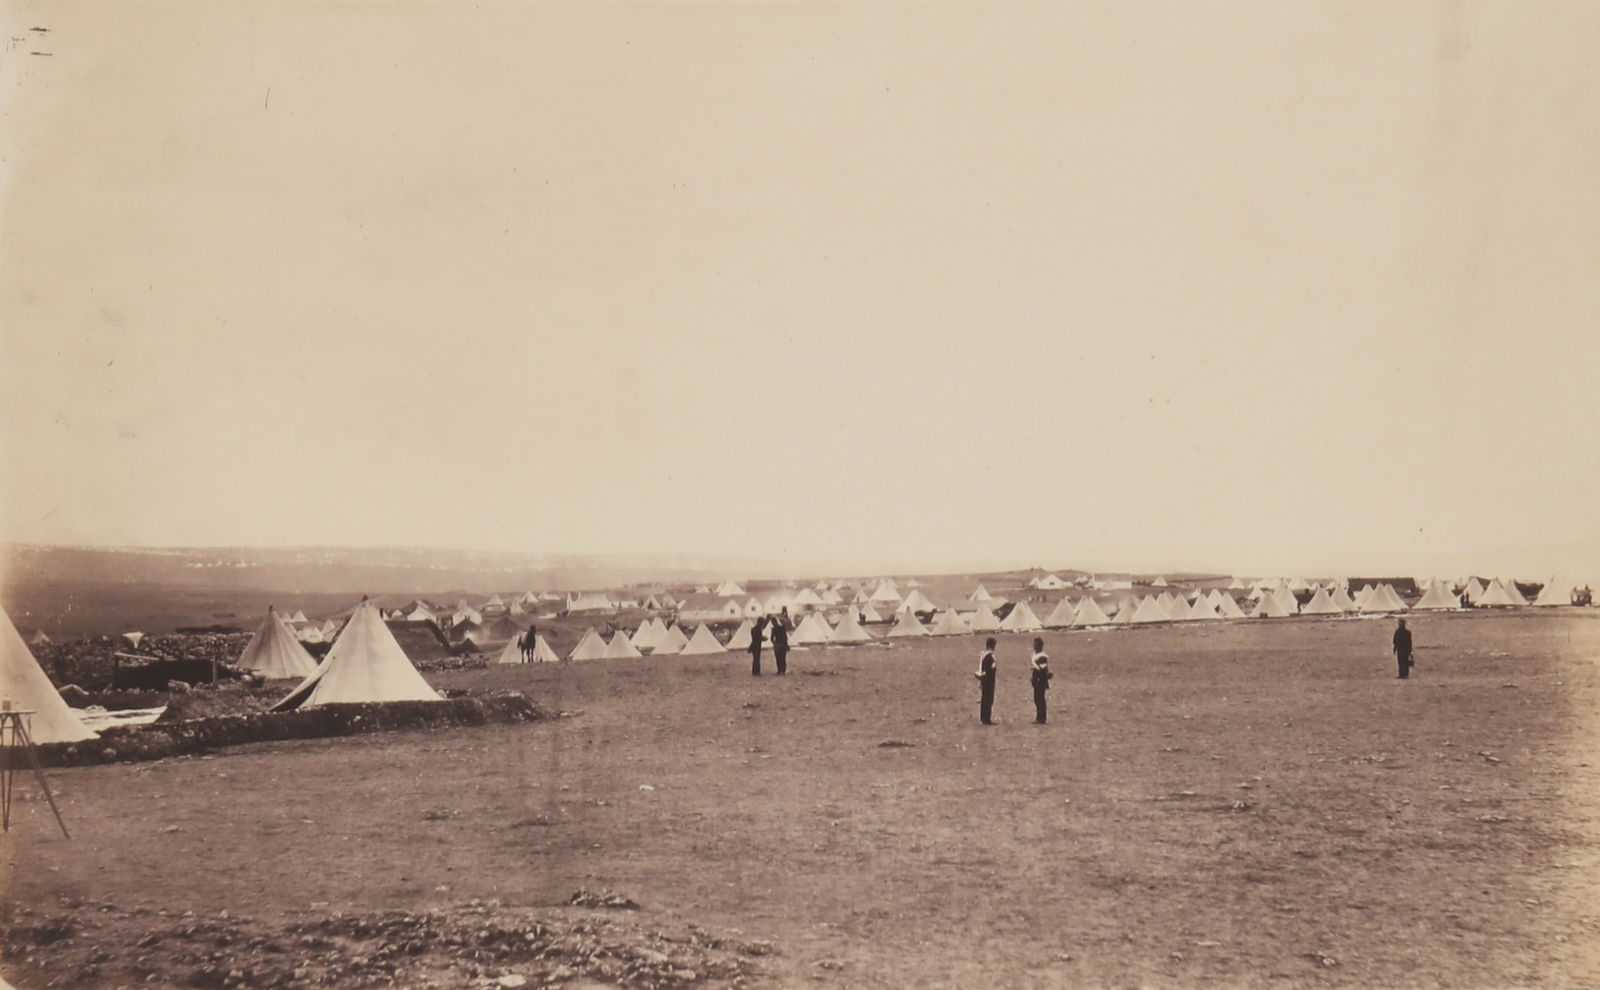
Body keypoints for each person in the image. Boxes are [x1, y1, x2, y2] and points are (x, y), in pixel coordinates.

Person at [974, 637, 997, 724]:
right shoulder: (989, 657)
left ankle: (984, 717)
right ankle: (986, 718)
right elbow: (990, 669)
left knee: (985, 699)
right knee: (988, 699)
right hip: (989, 681)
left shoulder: (984, 656)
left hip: (985, 680)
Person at [1030, 637, 1052, 724]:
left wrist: (1037, 672)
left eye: (1035, 644)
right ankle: (1039, 716)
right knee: (1037, 698)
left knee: (1040, 698)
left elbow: (1043, 668)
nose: (1034, 646)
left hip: (1040, 680)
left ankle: (1042, 718)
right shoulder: (1035, 655)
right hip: (1037, 679)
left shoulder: (1042, 656)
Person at [771, 608, 792, 676]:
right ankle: (780, 670)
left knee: (781, 658)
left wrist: (776, 644)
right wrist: (775, 643)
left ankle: (782, 670)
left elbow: (784, 638)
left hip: (780, 644)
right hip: (779, 644)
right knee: (779, 658)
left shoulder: (779, 628)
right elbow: (772, 638)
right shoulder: (777, 629)